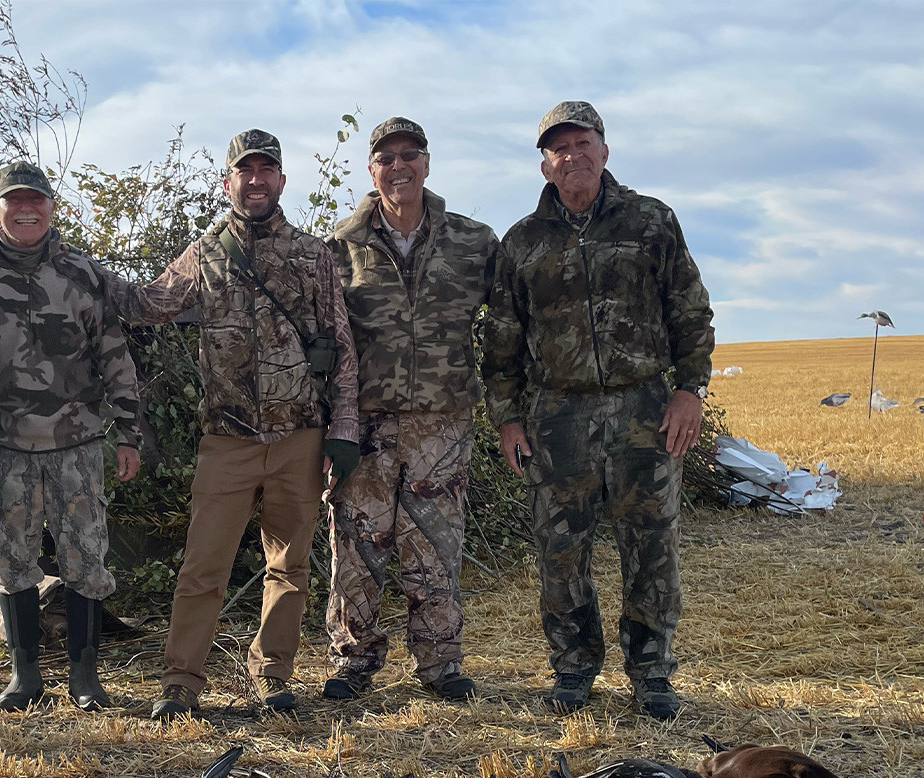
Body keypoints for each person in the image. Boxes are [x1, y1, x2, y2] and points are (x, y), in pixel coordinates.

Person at [110, 129, 360, 719]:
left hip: (299, 436)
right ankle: (180, 682)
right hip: (227, 440)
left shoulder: (313, 255)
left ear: (280, 179)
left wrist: (343, 429)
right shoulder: (206, 253)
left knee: (290, 567)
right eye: (244, 170)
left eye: (266, 169)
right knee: (203, 568)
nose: (256, 179)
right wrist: (78, 272)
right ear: (228, 181)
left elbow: (342, 346)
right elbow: (145, 306)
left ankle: (273, 674)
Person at [483, 101, 715, 719]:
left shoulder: (652, 222)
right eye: (558, 148)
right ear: (544, 165)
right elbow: (500, 342)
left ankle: (652, 672)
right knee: (560, 548)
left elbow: (690, 311)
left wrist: (690, 388)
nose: (572, 155)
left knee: (651, 544)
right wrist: (508, 417)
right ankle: (574, 668)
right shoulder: (522, 244)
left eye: (582, 142)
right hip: (556, 416)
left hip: (645, 407)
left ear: (604, 150)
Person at [0, 160, 141, 713]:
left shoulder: (84, 275)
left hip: (77, 443)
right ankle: (24, 674)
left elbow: (114, 357)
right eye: (14, 200)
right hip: (4, 447)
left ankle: (85, 677)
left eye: (36, 199)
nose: (26, 208)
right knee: (11, 557)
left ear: (53, 207)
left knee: (86, 556)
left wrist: (127, 432)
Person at [323, 116, 499, 702]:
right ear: (371, 171)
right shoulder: (338, 247)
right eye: (386, 158)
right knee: (355, 546)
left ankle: (441, 665)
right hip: (364, 426)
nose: (399, 166)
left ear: (427, 162)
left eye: (410, 154)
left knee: (435, 549)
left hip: (441, 426)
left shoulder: (474, 243)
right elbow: (320, 340)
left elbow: (509, 329)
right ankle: (354, 661)